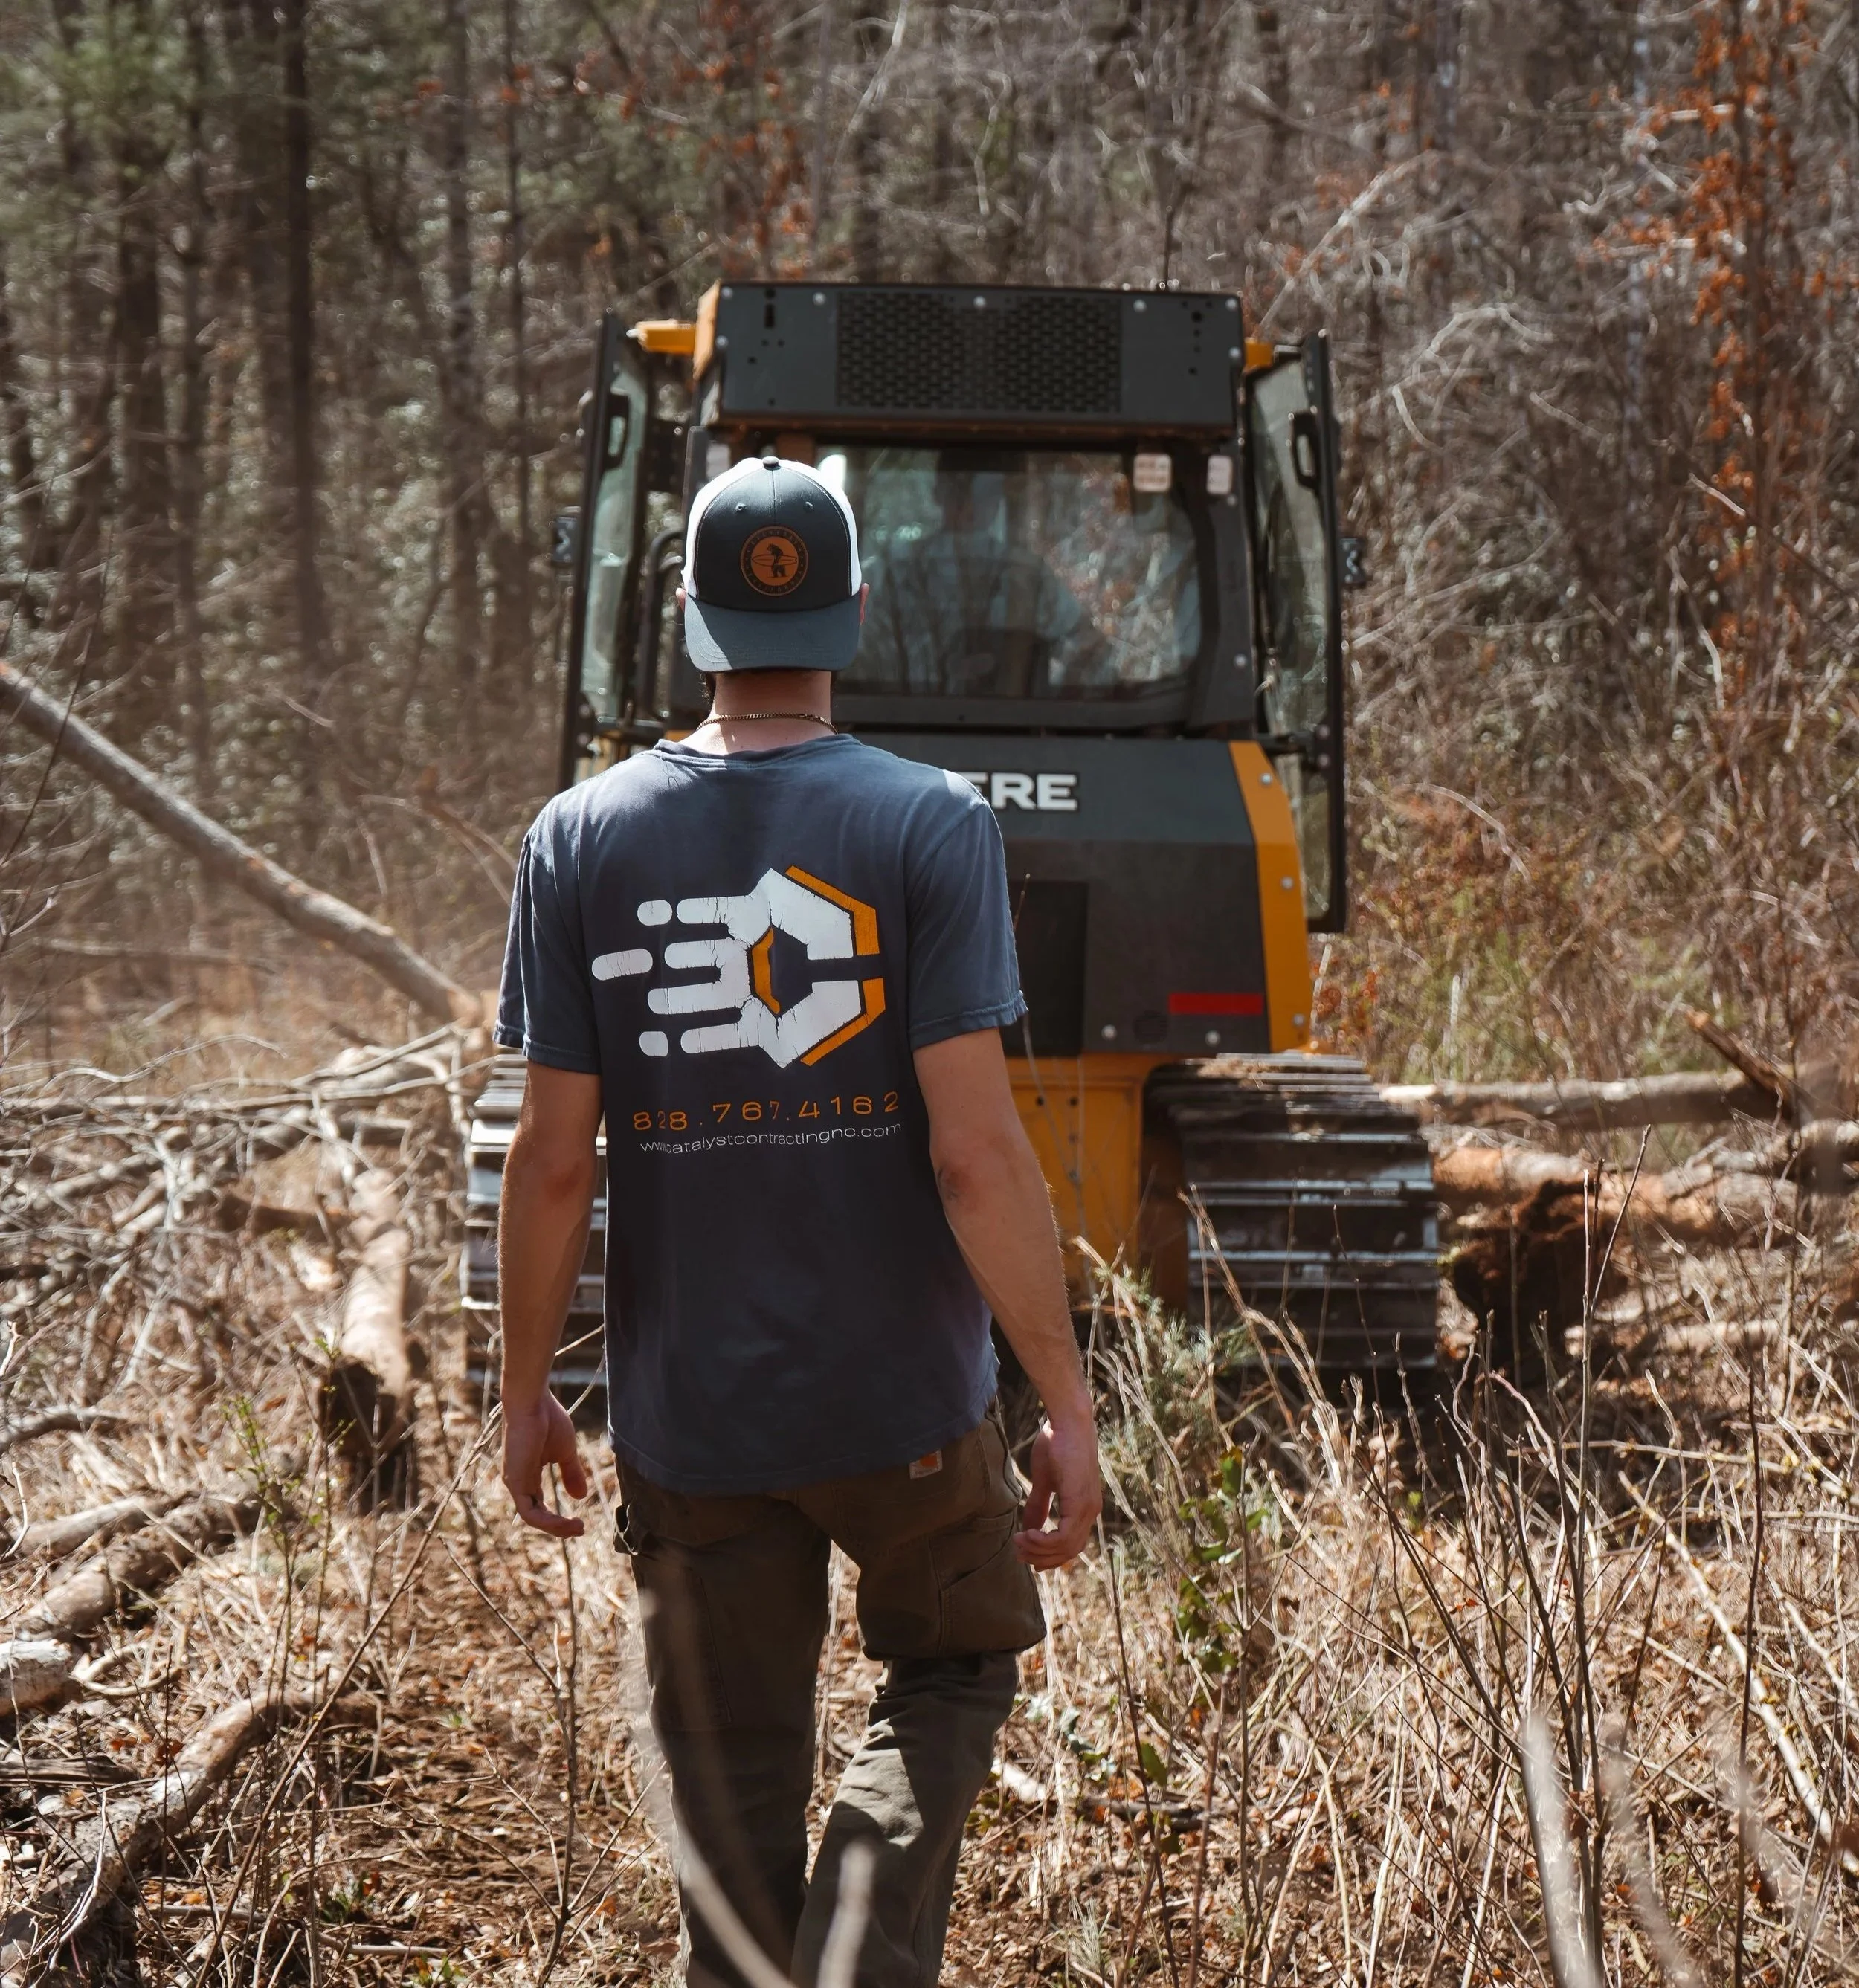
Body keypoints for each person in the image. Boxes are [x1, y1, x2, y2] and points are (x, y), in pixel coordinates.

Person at [493, 453, 1103, 1988]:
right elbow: (975, 1156)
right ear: (850, 614)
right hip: (903, 1404)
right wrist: (1068, 1396)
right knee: (958, 1656)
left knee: (729, 1817)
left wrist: (523, 1389)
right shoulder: (929, 823)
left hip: (692, 1428)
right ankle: (864, 1909)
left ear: (685, 614)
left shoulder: (578, 837)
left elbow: (553, 1158)